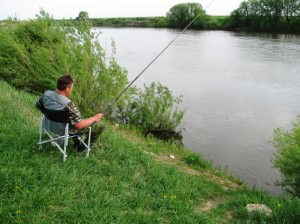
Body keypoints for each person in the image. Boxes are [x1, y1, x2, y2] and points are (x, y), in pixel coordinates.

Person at [35, 75, 104, 151]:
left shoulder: (46, 94)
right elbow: (79, 126)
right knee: (99, 125)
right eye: (71, 88)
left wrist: (51, 115)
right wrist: (94, 118)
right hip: (65, 130)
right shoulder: (68, 104)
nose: (71, 90)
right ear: (67, 88)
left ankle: (75, 141)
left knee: (74, 119)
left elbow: (38, 105)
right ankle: (82, 149)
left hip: (48, 124)